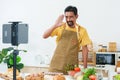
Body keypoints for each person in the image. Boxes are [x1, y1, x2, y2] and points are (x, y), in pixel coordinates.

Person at [43, 5, 92, 74]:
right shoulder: (60, 26)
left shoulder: (82, 30)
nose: (68, 19)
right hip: (56, 66)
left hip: (71, 67)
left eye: (71, 17)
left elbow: (85, 49)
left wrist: (85, 68)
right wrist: (55, 25)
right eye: (66, 17)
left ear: (76, 16)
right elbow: (44, 36)